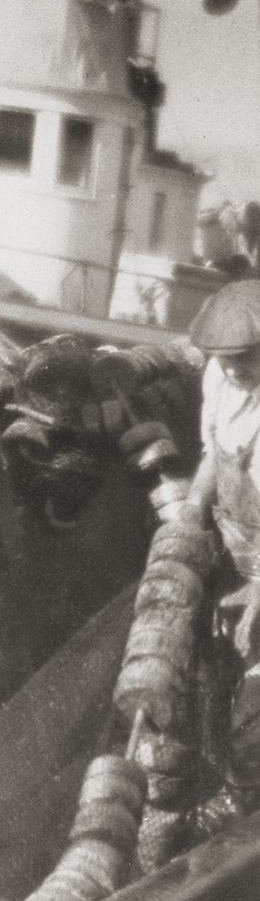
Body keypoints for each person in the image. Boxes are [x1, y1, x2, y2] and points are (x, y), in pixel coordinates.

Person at [186, 280, 260, 828]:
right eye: (225, 359)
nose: (234, 369)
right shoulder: (220, 377)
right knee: (211, 673)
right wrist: (190, 510)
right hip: (236, 539)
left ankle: (246, 805)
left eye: (247, 359)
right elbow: (216, 453)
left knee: (254, 700)